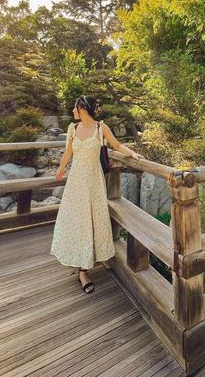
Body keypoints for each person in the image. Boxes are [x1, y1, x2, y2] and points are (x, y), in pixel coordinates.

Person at [50, 95, 145, 294]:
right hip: (76, 182)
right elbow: (68, 152)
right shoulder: (72, 128)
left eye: (75, 107)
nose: (73, 111)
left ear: (83, 108)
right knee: (77, 221)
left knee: (91, 220)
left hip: (93, 182)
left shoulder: (102, 128)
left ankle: (85, 264)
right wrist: (60, 170)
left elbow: (117, 146)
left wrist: (133, 154)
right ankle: (80, 266)